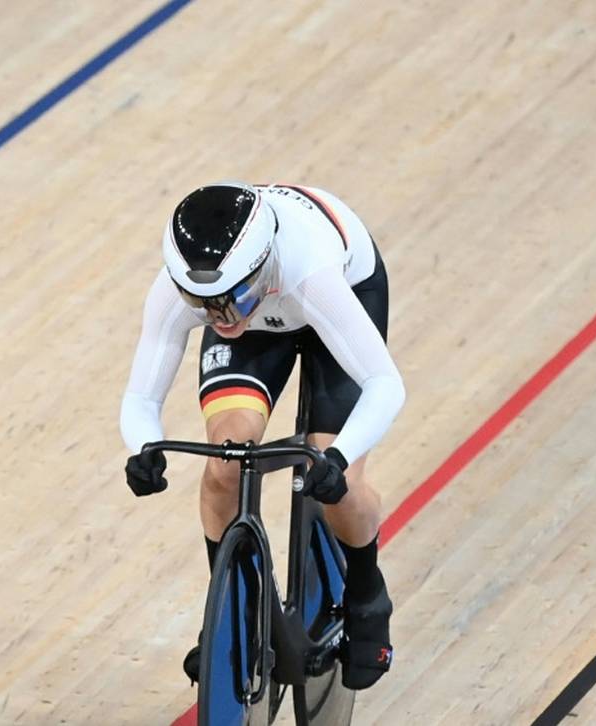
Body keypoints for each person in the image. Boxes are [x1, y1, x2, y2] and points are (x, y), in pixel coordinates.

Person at [120, 182, 405, 690]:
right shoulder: (201, 293)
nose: (219, 321)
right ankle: (229, 611)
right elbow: (142, 398)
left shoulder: (311, 273)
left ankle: (366, 592)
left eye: (230, 302)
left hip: (335, 296)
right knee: (223, 465)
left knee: (333, 471)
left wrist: (338, 458)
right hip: (264, 320)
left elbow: (385, 385)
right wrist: (143, 447)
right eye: (203, 306)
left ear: (261, 265)